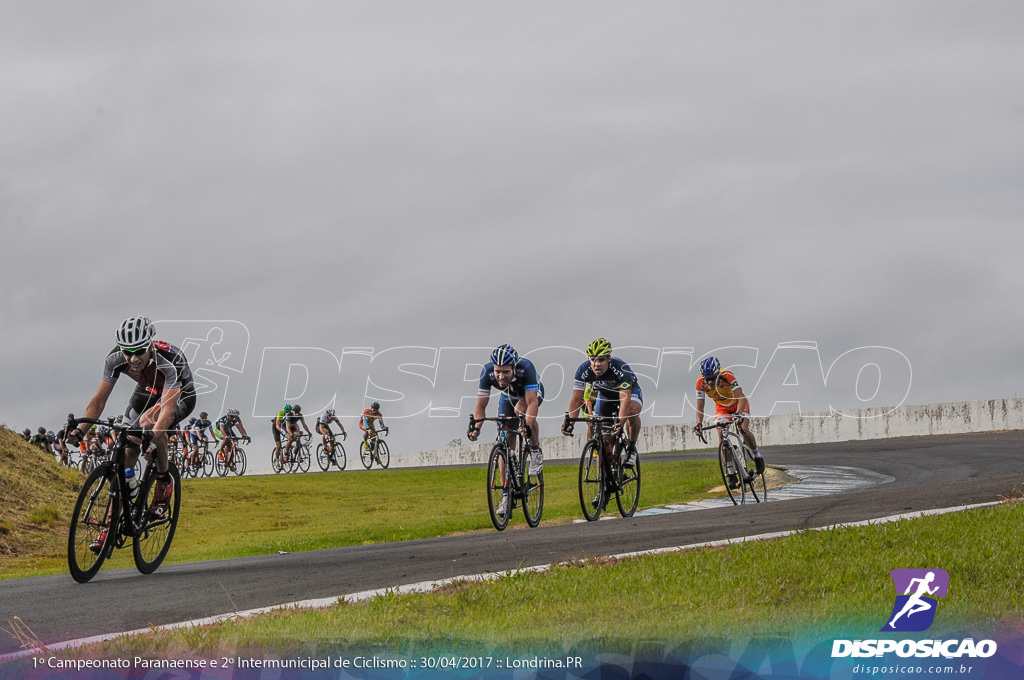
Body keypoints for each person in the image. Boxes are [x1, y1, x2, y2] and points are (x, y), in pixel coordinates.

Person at [66, 316, 196, 550]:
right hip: (146, 391)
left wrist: (152, 437)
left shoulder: (168, 360)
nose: (133, 358)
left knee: (150, 425)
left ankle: (164, 481)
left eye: (139, 351)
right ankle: (113, 521)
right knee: (127, 446)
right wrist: (81, 430)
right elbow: (99, 400)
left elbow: (166, 411)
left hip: (178, 394)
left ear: (150, 346)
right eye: (128, 352)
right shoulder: (115, 359)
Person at [468, 344, 545, 518]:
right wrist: (477, 428)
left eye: (505, 372)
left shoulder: (526, 368)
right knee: (505, 439)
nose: (500, 376)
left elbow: (532, 403)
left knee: (522, 413)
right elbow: (481, 405)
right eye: (498, 372)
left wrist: (526, 424)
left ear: (514, 368)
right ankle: (506, 495)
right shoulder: (487, 372)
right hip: (508, 395)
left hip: (530, 393)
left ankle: (534, 450)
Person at [561, 337, 643, 466]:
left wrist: (620, 421)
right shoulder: (583, 370)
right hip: (605, 396)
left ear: (609, 359)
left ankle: (631, 449)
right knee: (604, 441)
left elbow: (624, 398)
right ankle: (605, 480)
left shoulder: (621, 368)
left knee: (631, 412)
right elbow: (577, 399)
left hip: (629, 393)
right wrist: (571, 422)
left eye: (601, 360)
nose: (596, 364)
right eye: (593, 359)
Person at [692, 356, 763, 488]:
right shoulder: (701, 383)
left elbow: (741, 396)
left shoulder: (728, 376)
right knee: (721, 434)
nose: (710, 381)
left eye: (713, 378)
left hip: (738, 404)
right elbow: (700, 407)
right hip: (722, 408)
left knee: (743, 429)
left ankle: (757, 455)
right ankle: (731, 473)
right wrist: (699, 423)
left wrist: (739, 414)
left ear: (718, 373)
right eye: (707, 378)